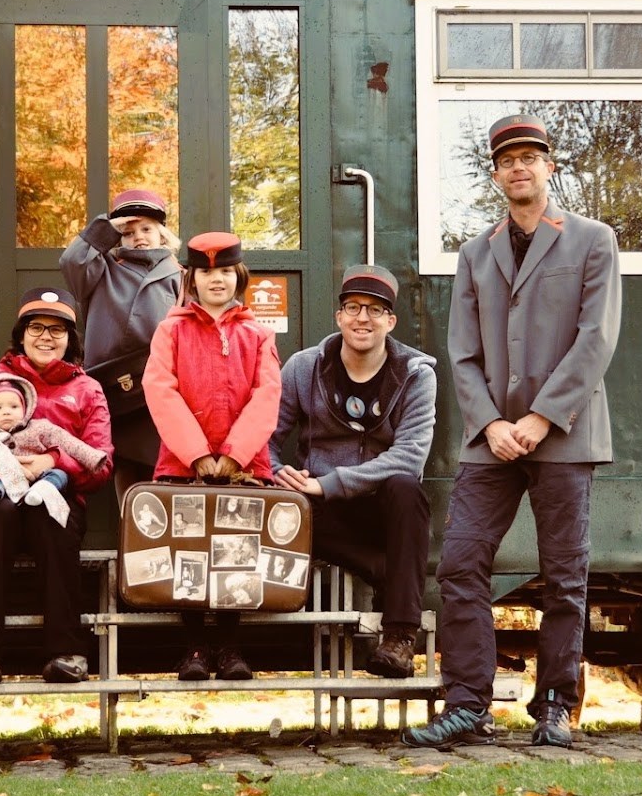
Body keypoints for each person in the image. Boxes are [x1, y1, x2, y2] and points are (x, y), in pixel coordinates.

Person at [402, 114, 621, 751]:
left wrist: (540, 417)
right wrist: (493, 423)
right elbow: (462, 354)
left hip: (564, 433)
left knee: (564, 575)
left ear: (549, 166)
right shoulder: (475, 253)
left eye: (531, 157)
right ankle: (467, 704)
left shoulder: (593, 240)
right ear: (495, 174)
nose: (519, 167)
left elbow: (596, 338)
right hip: (490, 439)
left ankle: (555, 705)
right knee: (461, 564)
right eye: (507, 160)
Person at [271, 265, 437, 679]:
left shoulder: (416, 374)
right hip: (321, 512)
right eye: (354, 307)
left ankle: (399, 638)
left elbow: (410, 457)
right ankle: (380, 569)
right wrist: (278, 473)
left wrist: (329, 484)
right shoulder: (302, 367)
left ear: (390, 321)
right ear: (339, 316)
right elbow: (264, 436)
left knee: (407, 490)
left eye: (376, 310)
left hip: (379, 506)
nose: (363, 318)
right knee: (285, 507)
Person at [0, 288, 115, 686]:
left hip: (55, 493)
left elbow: (101, 460)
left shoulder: (86, 389)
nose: (46, 336)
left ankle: (66, 652)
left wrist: (51, 462)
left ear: (70, 340)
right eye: (37, 327)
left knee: (51, 520)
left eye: (57, 330)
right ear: (21, 334)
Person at [143, 231, 282, 681]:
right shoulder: (171, 330)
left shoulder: (257, 334)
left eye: (224, 270)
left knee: (235, 551)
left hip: (242, 468)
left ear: (238, 274)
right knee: (189, 553)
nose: (216, 279)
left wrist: (237, 455)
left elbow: (267, 394)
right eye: (206, 272)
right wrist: (197, 454)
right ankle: (194, 648)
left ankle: (230, 646)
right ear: (192, 278)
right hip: (185, 466)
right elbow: (160, 390)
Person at [59, 189, 182, 497]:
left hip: (161, 387)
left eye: (146, 229)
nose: (138, 237)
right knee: (126, 469)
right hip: (115, 389)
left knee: (164, 472)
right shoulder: (101, 270)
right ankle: (131, 541)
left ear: (162, 234)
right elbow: (71, 263)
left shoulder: (180, 274)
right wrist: (107, 228)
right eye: (129, 232)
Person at [0, 374, 108, 512]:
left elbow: (67, 442)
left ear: (25, 409)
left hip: (40, 476)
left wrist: (92, 457)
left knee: (59, 476)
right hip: (3, 484)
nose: (7, 412)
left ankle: (42, 490)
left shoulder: (39, 428)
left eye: (14, 407)